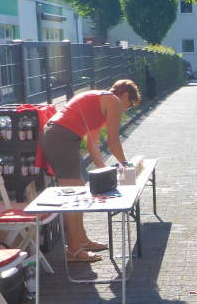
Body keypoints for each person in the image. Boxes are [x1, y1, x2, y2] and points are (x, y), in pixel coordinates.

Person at [40, 79, 141, 262]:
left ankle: (82, 240)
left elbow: (92, 144)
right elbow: (113, 141)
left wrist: (105, 172)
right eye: (129, 105)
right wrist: (126, 165)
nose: (126, 110)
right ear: (125, 95)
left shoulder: (101, 102)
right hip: (61, 137)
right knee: (73, 197)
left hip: (59, 136)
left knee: (79, 190)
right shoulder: (113, 102)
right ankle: (73, 250)